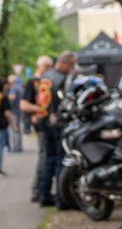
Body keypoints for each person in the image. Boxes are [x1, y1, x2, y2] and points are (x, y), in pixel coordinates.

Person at [37, 51, 76, 209]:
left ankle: (44, 195)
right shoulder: (61, 79)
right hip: (56, 124)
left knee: (48, 159)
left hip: (44, 122)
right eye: (72, 65)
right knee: (60, 159)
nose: (72, 68)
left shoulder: (46, 76)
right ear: (65, 63)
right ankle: (61, 199)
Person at [20, 55, 54, 203]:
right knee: (44, 156)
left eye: (48, 67)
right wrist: (40, 109)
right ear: (39, 66)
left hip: (50, 124)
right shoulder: (32, 82)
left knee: (46, 156)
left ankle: (40, 190)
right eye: (44, 66)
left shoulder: (50, 81)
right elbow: (24, 105)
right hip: (41, 125)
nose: (46, 69)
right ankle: (38, 191)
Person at [7, 74, 23, 152]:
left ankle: (16, 147)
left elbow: (12, 97)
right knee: (18, 128)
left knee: (15, 129)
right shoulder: (20, 88)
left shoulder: (13, 88)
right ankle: (19, 146)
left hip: (14, 110)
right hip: (20, 110)